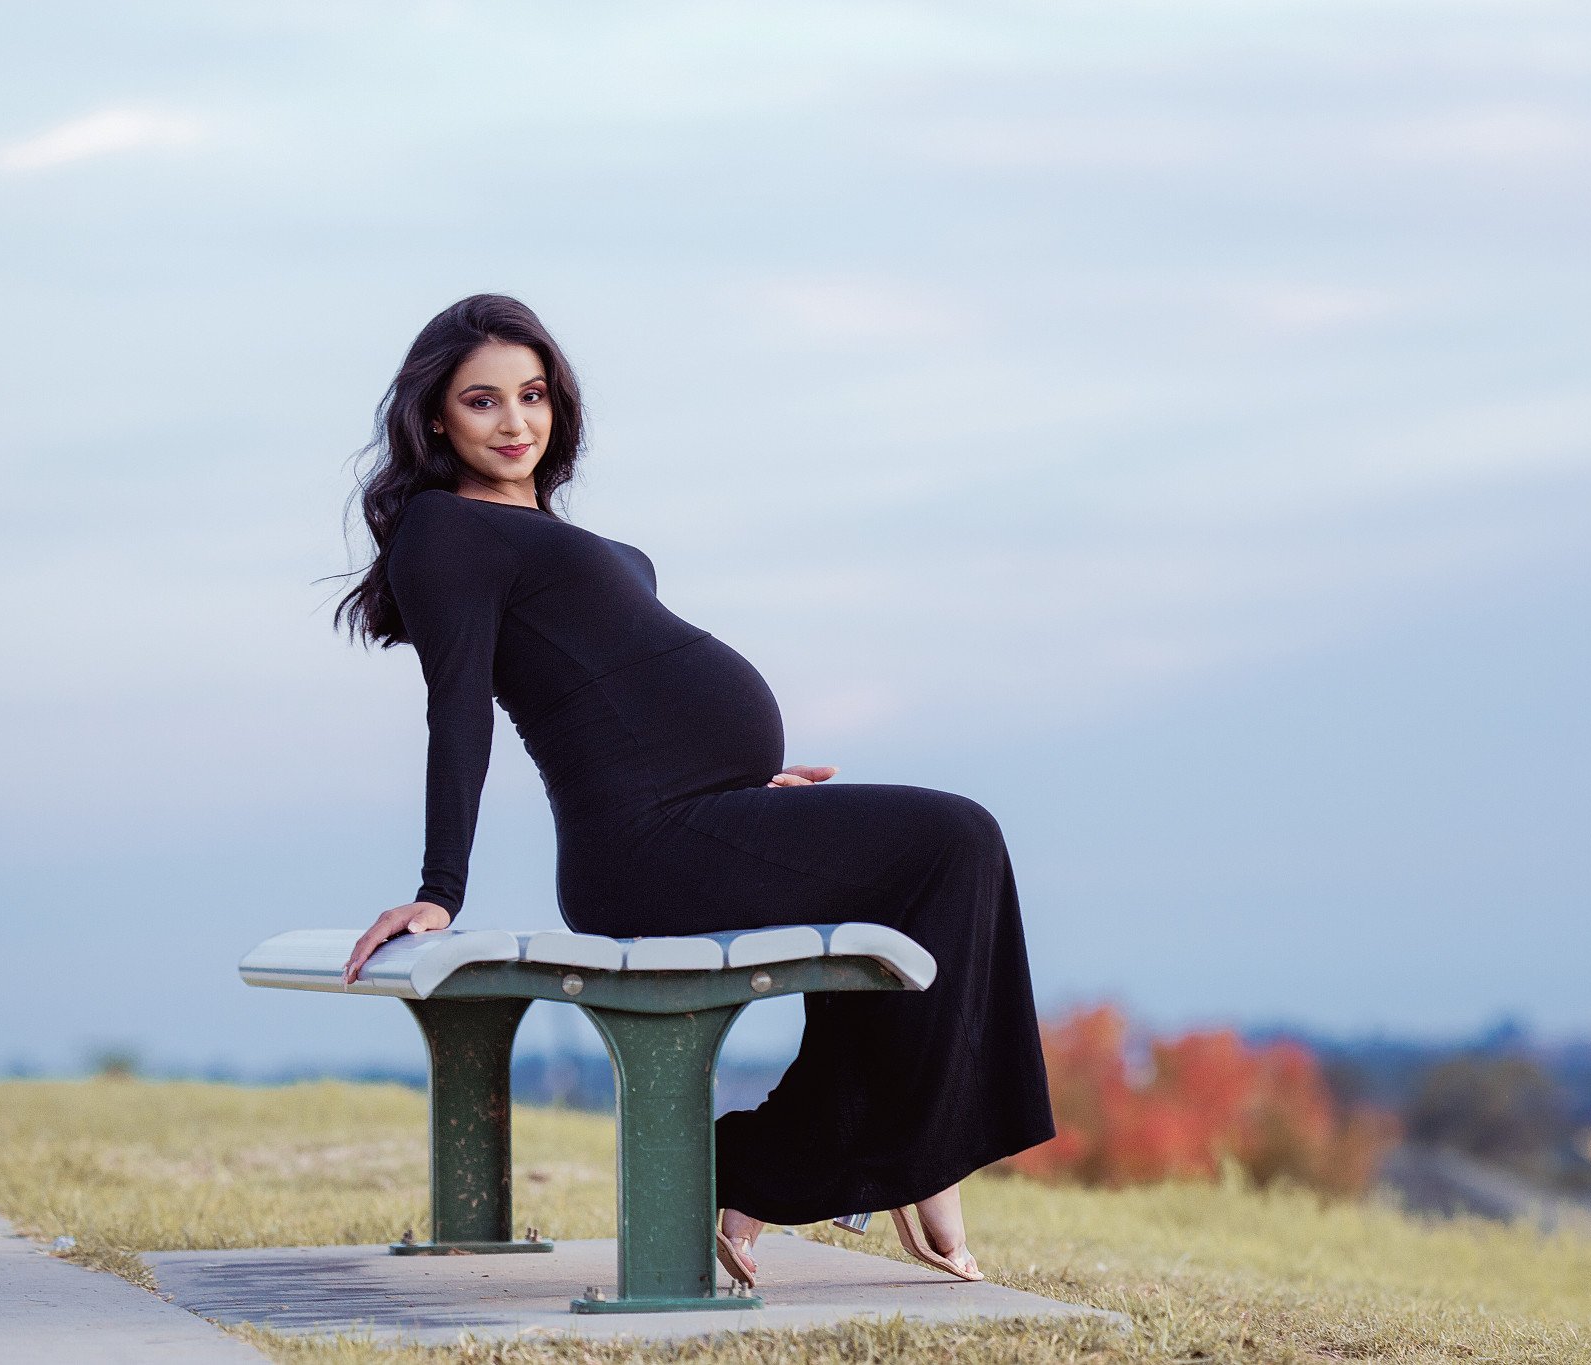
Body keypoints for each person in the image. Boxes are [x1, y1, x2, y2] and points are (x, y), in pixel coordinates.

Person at [333, 294, 1053, 1286]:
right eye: (483, 402)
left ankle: (788, 1168)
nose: (514, 423)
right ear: (437, 419)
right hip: (648, 849)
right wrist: (438, 886)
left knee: (930, 868)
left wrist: (751, 785)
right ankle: (910, 1164)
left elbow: (613, 700)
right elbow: (456, 713)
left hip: (704, 813)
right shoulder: (446, 534)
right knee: (955, 839)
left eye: (532, 395)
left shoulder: (535, 532)